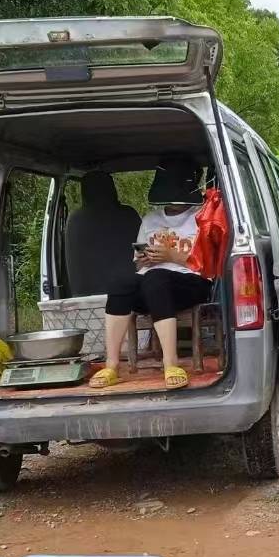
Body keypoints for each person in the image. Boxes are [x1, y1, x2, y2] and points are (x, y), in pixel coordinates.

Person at [89, 156, 212, 391]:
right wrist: (144, 260)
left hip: (191, 282)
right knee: (120, 281)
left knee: (156, 278)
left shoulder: (202, 216)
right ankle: (112, 365)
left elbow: (209, 264)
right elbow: (138, 266)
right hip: (152, 283)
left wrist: (171, 256)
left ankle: (171, 363)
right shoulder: (150, 219)